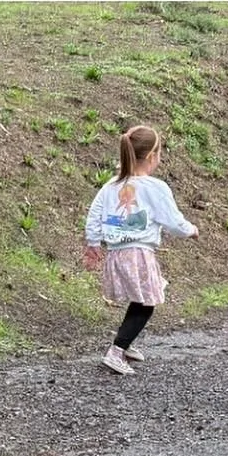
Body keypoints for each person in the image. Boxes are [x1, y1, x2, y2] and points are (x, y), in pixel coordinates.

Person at [83, 124, 197, 376]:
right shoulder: (154, 187)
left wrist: (93, 244)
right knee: (146, 303)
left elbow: (94, 216)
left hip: (116, 253)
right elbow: (172, 220)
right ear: (152, 156)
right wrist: (190, 230)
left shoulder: (111, 185)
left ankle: (126, 343)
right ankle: (116, 351)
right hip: (138, 253)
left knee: (141, 297)